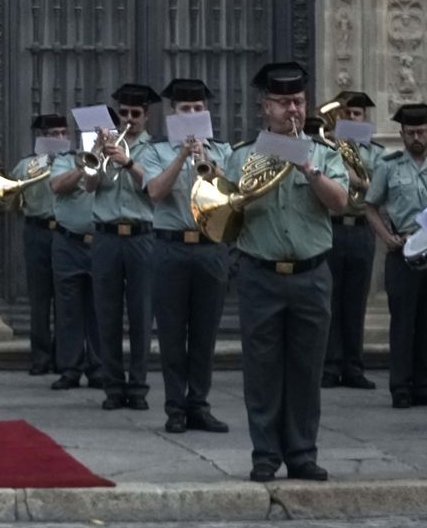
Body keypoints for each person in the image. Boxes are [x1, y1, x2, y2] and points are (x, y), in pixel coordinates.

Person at [229, 62, 349, 483]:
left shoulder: (325, 154)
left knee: (305, 369)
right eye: (283, 103)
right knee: (261, 369)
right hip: (260, 274)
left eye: (298, 102)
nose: (292, 110)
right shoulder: (243, 156)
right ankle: (265, 453)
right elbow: (221, 210)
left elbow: (339, 203)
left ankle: (302, 452)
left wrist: (307, 168)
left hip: (310, 275)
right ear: (265, 107)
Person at [139, 79, 231, 433]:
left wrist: (207, 161)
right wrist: (181, 156)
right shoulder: (155, 152)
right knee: (173, 332)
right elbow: (155, 192)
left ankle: (199, 405)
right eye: (184, 110)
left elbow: (230, 196)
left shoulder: (221, 151)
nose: (191, 115)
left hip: (210, 248)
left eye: (197, 109)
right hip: (169, 247)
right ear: (171, 113)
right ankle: (175, 407)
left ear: (205, 112)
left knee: (205, 332)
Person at [364, 104, 427, 409]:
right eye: (410, 132)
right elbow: (370, 206)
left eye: (422, 132)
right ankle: (401, 387)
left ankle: (424, 386)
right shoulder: (389, 166)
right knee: (402, 322)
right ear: (401, 135)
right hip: (402, 251)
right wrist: (387, 238)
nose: (416, 137)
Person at [85, 83, 159, 411]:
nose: (130, 119)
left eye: (136, 114)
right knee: (107, 313)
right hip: (106, 236)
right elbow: (89, 184)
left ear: (146, 117)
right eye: (125, 114)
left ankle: (139, 386)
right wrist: (100, 153)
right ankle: (113, 386)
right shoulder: (104, 144)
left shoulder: (155, 150)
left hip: (142, 236)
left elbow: (155, 188)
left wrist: (127, 162)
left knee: (141, 313)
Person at [321, 90, 383, 390]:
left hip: (361, 228)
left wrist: (356, 178)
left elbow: (379, 192)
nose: (350, 119)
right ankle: (330, 365)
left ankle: (354, 366)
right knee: (330, 300)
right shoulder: (327, 147)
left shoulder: (377, 152)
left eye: (356, 115)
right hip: (332, 227)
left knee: (356, 302)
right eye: (345, 115)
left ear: (365, 119)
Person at [9, 113, 66, 376]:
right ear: (41, 137)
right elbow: (11, 195)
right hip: (38, 232)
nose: (60, 138)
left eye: (63, 133)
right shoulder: (27, 165)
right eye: (54, 135)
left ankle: (67, 357)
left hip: (67, 234)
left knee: (67, 300)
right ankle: (41, 357)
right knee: (40, 299)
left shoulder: (73, 162)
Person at [48, 121, 100, 391]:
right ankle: (70, 368)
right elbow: (56, 186)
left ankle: (99, 368)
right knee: (68, 309)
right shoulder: (66, 159)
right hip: (69, 242)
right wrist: (82, 166)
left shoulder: (113, 159)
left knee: (101, 309)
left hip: (101, 243)